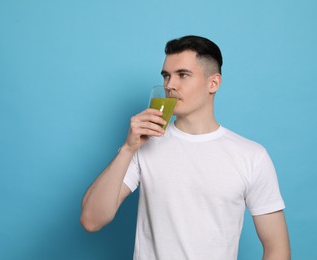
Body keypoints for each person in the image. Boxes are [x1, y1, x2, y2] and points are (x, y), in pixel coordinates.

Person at [80, 35, 291, 260]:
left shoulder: (252, 156)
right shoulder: (144, 144)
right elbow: (91, 220)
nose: (170, 85)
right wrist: (127, 149)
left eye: (183, 75)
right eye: (166, 76)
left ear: (214, 83)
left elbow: (277, 248)